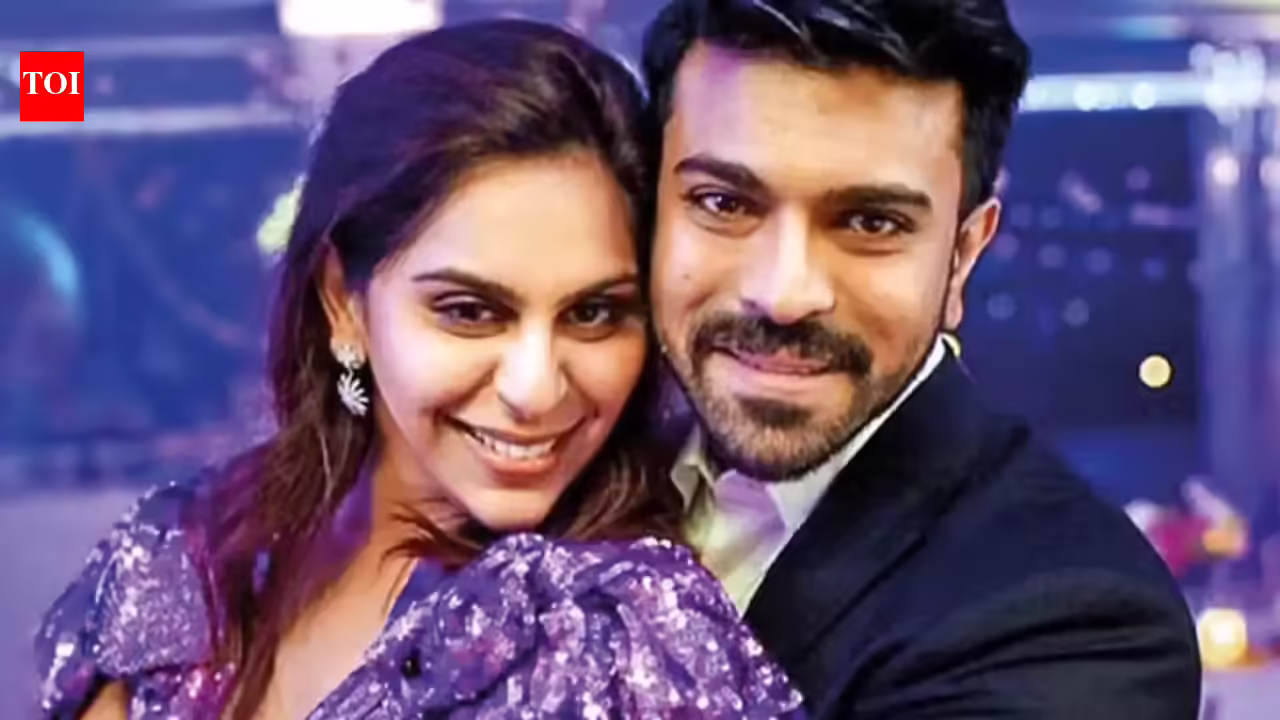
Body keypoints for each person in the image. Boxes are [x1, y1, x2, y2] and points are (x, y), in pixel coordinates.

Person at [33, 20, 804, 720]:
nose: (536, 388)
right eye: (470, 311)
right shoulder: (192, 546)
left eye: (594, 313)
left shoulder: (622, 634)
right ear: (344, 303)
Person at [640, 0, 1202, 717]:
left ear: (962, 257)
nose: (783, 294)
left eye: (871, 222)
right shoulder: (565, 452)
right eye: (723, 203)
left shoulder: (1078, 624)